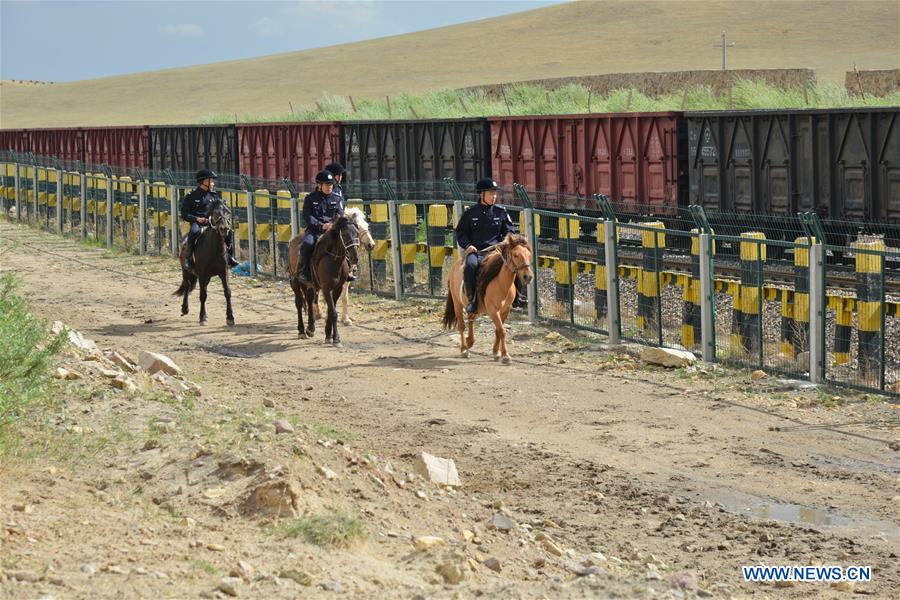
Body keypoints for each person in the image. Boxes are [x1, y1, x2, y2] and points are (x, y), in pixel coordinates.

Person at [454, 177, 518, 314]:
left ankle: (518, 298)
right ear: (481, 194)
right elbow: (460, 232)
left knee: (515, 264)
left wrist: (506, 240)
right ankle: (472, 301)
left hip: (496, 252)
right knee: (470, 267)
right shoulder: (470, 213)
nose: (494, 196)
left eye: (495, 194)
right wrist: (468, 246)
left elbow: (510, 231)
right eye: (490, 194)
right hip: (476, 252)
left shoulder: (501, 212)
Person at [181, 169, 239, 271]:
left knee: (228, 232)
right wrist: (196, 219)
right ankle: (189, 259)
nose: (213, 183)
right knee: (194, 232)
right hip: (198, 224)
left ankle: (230, 257)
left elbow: (220, 210)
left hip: (212, 223)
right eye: (211, 180)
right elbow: (184, 214)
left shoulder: (214, 195)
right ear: (203, 181)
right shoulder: (191, 196)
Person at [297, 169, 343, 283]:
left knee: (347, 244)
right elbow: (308, 217)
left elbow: (340, 214)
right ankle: (302, 271)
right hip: (315, 231)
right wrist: (322, 226)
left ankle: (349, 271)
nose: (330, 187)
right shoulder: (310, 199)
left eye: (331, 185)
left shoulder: (337, 199)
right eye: (327, 185)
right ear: (319, 185)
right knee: (307, 244)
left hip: (333, 231)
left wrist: (333, 224)